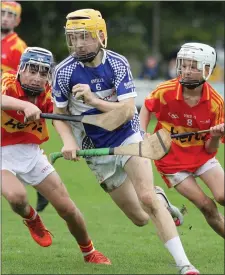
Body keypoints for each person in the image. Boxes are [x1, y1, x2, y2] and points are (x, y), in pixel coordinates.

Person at [52, 9, 199, 274]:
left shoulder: (117, 63)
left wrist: (93, 100)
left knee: (146, 197)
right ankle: (163, 200)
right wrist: (67, 142)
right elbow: (58, 116)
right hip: (95, 149)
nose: (78, 44)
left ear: (100, 35)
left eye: (84, 37)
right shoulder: (64, 72)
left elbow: (127, 111)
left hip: (127, 135)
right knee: (140, 218)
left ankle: (185, 265)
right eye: (73, 38)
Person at [1, 46, 111, 265]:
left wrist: (68, 143)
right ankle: (32, 218)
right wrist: (23, 105)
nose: (36, 78)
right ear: (21, 69)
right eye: (32, 71)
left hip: (31, 153)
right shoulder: (7, 81)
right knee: (17, 197)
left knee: (67, 208)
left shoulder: (50, 93)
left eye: (43, 73)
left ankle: (89, 252)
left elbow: (59, 118)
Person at [139, 42, 225, 239]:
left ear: (207, 69)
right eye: (184, 65)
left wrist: (215, 135)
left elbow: (210, 148)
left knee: (222, 196)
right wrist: (142, 133)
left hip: (201, 157)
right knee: (207, 206)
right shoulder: (166, 90)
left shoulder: (216, 103)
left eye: (193, 66)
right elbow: (146, 108)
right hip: (172, 163)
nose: (186, 71)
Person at [1, 1, 27, 74]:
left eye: (10, 15)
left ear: (17, 21)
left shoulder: (20, 46)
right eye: (2, 13)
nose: (5, 18)